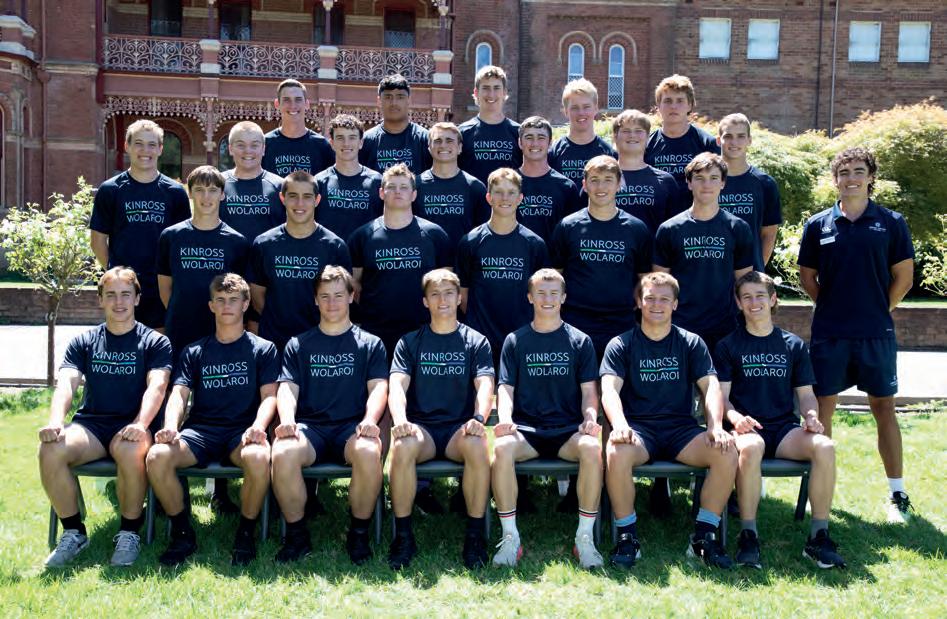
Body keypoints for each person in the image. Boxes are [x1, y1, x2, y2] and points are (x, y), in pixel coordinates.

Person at [797, 147, 915, 524]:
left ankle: (897, 493)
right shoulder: (818, 224)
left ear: (870, 177)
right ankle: (821, 489)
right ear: (836, 179)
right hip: (830, 333)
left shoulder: (892, 222)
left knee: (884, 408)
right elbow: (807, 276)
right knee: (822, 410)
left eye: (858, 171)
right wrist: (831, 306)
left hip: (875, 333)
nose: (851, 178)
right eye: (844, 172)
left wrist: (880, 308)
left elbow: (904, 277)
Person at [601, 272, 737, 569]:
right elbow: (609, 390)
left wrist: (715, 426)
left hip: (681, 431)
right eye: (650, 298)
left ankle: (703, 537)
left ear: (675, 304)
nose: (656, 305)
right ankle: (627, 537)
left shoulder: (691, 342)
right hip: (639, 430)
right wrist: (620, 424)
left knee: (726, 450)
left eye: (664, 299)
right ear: (639, 302)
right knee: (616, 450)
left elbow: (711, 387)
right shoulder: (621, 344)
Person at [39, 267, 172, 567]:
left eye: (126, 294)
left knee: (130, 448)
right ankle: (74, 532)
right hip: (92, 427)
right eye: (110, 295)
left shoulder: (155, 342)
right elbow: (67, 383)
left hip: (133, 425)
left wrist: (140, 424)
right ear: (100, 299)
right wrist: (56, 421)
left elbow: (158, 386)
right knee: (50, 448)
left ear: (137, 298)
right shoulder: (84, 341)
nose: (118, 302)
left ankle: (128, 533)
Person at [146, 273, 279, 567]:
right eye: (220, 300)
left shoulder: (263, 349)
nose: (227, 306)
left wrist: (258, 427)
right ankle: (182, 533)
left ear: (245, 304)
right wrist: (170, 427)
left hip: (242, 433)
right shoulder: (194, 350)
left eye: (233, 300)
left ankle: (246, 532)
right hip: (201, 433)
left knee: (259, 457)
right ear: (211, 306)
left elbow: (270, 396)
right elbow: (179, 394)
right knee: (157, 456)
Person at [716, 271, 845, 569]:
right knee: (751, 448)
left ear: (773, 299)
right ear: (738, 303)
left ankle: (818, 537)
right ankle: (748, 535)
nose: (754, 302)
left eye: (760, 296)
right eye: (747, 297)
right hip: (746, 430)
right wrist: (735, 418)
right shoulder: (728, 345)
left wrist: (810, 416)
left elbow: (806, 395)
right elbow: (721, 398)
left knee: (825, 446)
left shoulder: (793, 345)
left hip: (784, 430)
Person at [270, 266, 388, 564]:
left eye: (338, 295)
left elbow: (379, 388)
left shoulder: (370, 343)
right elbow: (287, 389)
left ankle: (358, 534)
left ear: (351, 296)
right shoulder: (298, 344)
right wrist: (287, 420)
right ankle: (297, 536)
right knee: (283, 451)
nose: (332, 302)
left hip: (352, 428)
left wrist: (370, 420)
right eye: (324, 296)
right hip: (311, 429)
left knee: (368, 451)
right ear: (315, 300)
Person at [491, 269, 603, 568]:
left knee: (592, 448)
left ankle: (585, 538)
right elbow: (505, 388)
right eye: (541, 293)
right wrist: (505, 418)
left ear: (564, 297)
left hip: (567, 432)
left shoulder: (580, 341)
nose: (548, 299)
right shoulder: (515, 340)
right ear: (530, 297)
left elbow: (589, 392)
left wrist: (589, 417)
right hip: (527, 431)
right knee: (501, 448)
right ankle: (510, 537)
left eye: (554, 293)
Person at [387, 269, 494, 570]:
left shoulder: (476, 341)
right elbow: (397, 386)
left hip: (458, 429)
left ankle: (474, 536)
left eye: (449, 293)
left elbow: (485, 384)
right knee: (403, 446)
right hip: (422, 429)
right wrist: (400, 419)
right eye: (435, 294)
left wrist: (478, 417)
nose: (442, 300)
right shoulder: (410, 342)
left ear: (459, 298)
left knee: (477, 444)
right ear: (425, 301)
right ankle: (403, 536)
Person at [89, 119, 191, 330]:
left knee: (159, 343)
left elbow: (182, 243)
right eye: (138, 143)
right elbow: (97, 241)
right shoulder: (110, 190)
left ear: (160, 149)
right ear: (127, 146)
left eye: (152, 144)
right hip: (124, 288)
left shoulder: (175, 193)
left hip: (161, 285)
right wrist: (118, 275)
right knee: (124, 339)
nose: (145, 150)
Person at [550, 156, 652, 360]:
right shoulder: (567, 227)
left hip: (621, 323)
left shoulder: (636, 229)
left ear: (619, 184)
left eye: (608, 180)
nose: (601, 187)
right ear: (584, 184)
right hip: (575, 321)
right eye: (594, 180)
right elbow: (555, 276)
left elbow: (645, 279)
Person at [347, 163, 452, 359]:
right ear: (381, 193)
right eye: (391, 187)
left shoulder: (435, 235)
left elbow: (448, 285)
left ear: (414, 194)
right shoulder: (362, 236)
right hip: (376, 333)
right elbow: (354, 285)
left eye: (404, 187)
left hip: (424, 331)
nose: (397, 192)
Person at [653, 152, 754, 356]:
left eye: (714, 178)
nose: (706, 184)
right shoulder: (669, 229)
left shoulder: (738, 228)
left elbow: (744, 282)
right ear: (689, 183)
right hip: (680, 325)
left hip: (724, 326)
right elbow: (660, 282)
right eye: (699, 178)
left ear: (723, 183)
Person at [248, 170, 352, 353]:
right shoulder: (264, 244)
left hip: (320, 344)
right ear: (282, 198)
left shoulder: (335, 246)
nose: (300, 203)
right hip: (275, 342)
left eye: (307, 197)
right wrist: (279, 321)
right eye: (293, 196)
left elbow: (342, 299)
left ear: (317, 200)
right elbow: (257, 296)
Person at [456, 167, 548, 367]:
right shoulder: (470, 242)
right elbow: (463, 295)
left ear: (520, 198)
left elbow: (541, 294)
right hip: (480, 340)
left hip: (521, 339)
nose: (505, 198)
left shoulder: (535, 244)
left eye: (511, 192)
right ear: (488, 197)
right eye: (498, 192)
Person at [157, 166, 250, 357]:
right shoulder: (171, 236)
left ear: (222, 195)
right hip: (180, 329)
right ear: (190, 193)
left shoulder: (237, 242)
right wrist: (183, 313)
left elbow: (241, 294)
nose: (206, 197)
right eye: (199, 190)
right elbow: (165, 289)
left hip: (220, 331)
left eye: (213, 190)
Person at [645, 75, 719, 217]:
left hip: (696, 221)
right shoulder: (646, 145)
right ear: (658, 105)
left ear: (690, 105)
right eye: (668, 101)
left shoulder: (706, 144)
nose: (673, 106)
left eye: (680, 100)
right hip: (657, 221)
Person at [716, 113, 781, 271]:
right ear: (718, 140)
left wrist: (757, 271)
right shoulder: (705, 181)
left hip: (750, 273)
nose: (734, 142)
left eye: (741, 136)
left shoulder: (765, 183)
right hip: (712, 271)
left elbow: (769, 234)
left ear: (749, 140)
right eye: (728, 136)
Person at [413, 122, 490, 248]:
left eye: (449, 141)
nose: (443, 145)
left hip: (463, 258)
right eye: (437, 141)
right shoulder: (416, 186)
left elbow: (485, 232)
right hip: (426, 258)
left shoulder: (475, 187)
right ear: (429, 148)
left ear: (460, 148)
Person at [314, 114, 384, 243]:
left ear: (361, 143)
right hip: (330, 254)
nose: (346, 143)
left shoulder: (377, 182)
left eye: (352, 138)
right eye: (340, 138)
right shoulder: (319, 182)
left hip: (365, 253)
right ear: (332, 143)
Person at [548, 79, 617, 201]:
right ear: (565, 111)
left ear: (596, 108)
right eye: (575, 108)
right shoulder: (554, 152)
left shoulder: (608, 153)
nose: (581, 112)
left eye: (586, 107)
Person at [612, 109, 679, 235]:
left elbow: (675, 230)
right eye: (626, 131)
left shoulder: (666, 181)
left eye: (639, 131)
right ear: (615, 137)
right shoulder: (600, 179)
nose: (632, 135)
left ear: (648, 137)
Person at [517, 116, 581, 244]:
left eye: (541, 138)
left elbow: (572, 233)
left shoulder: (566, 187)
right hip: (516, 255)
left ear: (550, 143)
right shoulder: (508, 184)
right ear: (520, 143)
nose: (535, 143)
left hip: (553, 256)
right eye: (529, 137)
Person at [221, 121, 286, 245]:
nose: (248, 151)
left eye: (254, 145)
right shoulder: (218, 184)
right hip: (228, 256)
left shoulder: (280, 186)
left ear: (263, 149)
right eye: (240, 145)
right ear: (230, 149)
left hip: (266, 257)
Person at [457, 65, 522, 184]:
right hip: (474, 196)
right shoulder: (462, 133)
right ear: (476, 92)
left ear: (504, 92)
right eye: (486, 88)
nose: (491, 94)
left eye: (496, 88)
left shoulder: (518, 133)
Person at [359, 74, 432, 174]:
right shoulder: (366, 141)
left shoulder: (425, 139)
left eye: (400, 97)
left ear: (409, 100)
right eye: (388, 97)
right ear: (379, 101)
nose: (394, 103)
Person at [261, 79, 335, 177]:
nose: (293, 105)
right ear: (277, 104)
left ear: (307, 104)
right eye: (286, 100)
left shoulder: (322, 146)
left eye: (298, 99)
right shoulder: (265, 144)